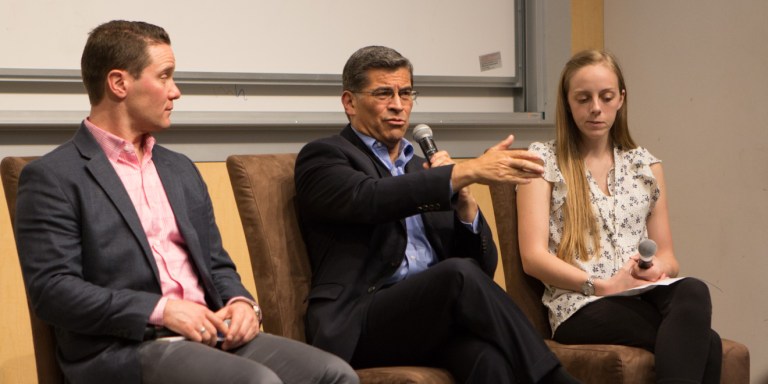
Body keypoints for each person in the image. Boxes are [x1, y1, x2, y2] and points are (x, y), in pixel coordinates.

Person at [14, 20, 358, 384]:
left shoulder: (180, 169)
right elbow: (54, 291)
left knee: (335, 375)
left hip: (211, 334)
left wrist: (242, 303)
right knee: (257, 382)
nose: (175, 91)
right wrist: (162, 310)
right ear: (119, 83)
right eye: (164, 76)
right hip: (125, 348)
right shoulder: (54, 176)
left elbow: (217, 264)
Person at [294, 45, 580, 384]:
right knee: (457, 275)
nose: (398, 105)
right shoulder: (324, 157)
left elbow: (481, 269)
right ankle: (556, 379)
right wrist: (461, 172)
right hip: (360, 321)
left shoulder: (422, 170)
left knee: (490, 362)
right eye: (383, 93)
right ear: (350, 102)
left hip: (427, 320)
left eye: (406, 93)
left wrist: (465, 205)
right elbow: (370, 199)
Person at [516, 50, 722, 383]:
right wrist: (603, 286)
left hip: (638, 295)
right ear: (567, 103)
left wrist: (656, 269)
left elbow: (669, 258)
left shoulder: (645, 165)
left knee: (694, 290)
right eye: (583, 99)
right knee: (707, 343)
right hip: (580, 303)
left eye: (606, 97)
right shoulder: (543, 160)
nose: (595, 108)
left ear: (620, 99)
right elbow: (533, 258)